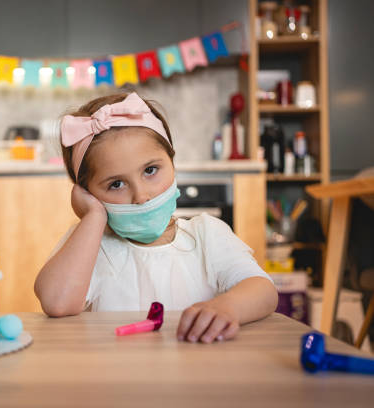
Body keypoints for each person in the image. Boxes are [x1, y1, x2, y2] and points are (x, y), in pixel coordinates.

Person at [34, 92, 278, 344]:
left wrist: (228, 308)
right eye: (116, 184)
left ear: (172, 162)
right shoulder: (89, 247)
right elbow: (56, 302)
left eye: (150, 170)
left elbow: (264, 291)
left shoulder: (206, 234)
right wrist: (93, 217)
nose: (142, 196)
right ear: (87, 193)